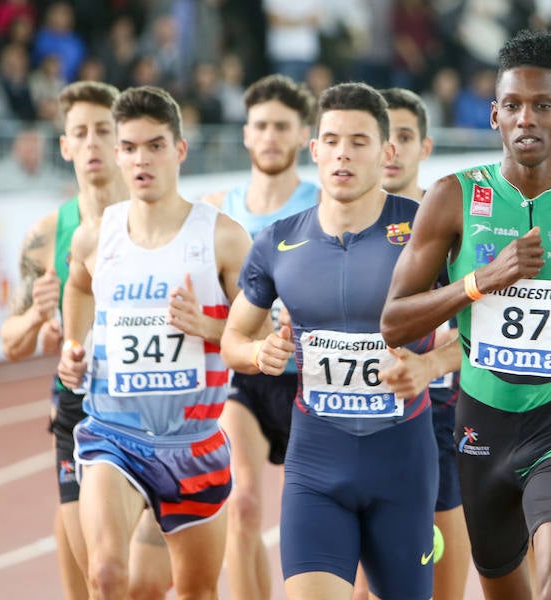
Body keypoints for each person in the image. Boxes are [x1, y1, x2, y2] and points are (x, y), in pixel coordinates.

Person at [380, 29, 551, 600]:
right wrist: (480, 281)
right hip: (482, 427)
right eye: (513, 106)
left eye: (543, 106)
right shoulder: (453, 198)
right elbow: (395, 322)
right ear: (494, 116)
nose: (526, 118)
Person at [221, 82, 455, 600]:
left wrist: (430, 366)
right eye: (331, 140)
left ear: (386, 151)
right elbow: (232, 338)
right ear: (315, 149)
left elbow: (478, 333)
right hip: (315, 468)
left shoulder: (425, 230)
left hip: (402, 465)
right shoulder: (277, 241)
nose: (342, 153)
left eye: (358, 141)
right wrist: (258, 352)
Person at [56, 85, 252, 599]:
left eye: (155, 146)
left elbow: (258, 338)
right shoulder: (95, 236)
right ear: (118, 154)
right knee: (106, 575)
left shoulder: (223, 238)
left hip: (193, 442)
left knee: (195, 590)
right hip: (113, 435)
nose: (141, 159)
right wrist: (74, 345)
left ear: (180, 150)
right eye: (130, 147)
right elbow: (79, 287)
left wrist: (208, 327)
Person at [0, 80, 171, 600]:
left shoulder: (159, 218)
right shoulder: (48, 235)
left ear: (122, 142)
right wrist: (37, 318)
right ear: (65, 145)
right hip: (83, 406)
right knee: (104, 578)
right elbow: (11, 342)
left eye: (103, 131)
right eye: (80, 132)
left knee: (149, 583)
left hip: (161, 402)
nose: (92, 143)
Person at [203, 73, 320, 600]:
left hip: (311, 380)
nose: (270, 136)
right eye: (261, 126)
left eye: (282, 126)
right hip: (246, 376)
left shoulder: (323, 203)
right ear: (246, 134)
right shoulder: (217, 211)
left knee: (310, 515)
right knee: (243, 502)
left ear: (302, 135)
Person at [381, 86, 472, 600]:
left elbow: (481, 330)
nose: (392, 149)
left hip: (436, 417)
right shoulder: (336, 226)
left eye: (405, 136)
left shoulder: (453, 225)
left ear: (426, 147)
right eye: (383, 136)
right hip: (353, 419)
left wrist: (431, 365)